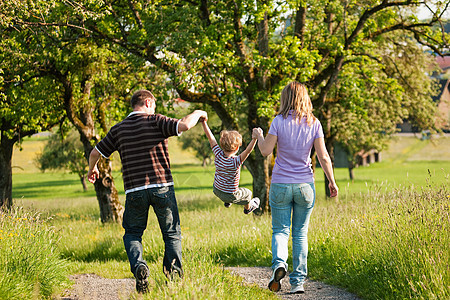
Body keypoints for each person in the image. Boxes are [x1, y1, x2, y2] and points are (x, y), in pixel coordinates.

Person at [87, 89, 207, 294]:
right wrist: (198, 112)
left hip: (134, 190)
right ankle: (174, 280)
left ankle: (139, 266)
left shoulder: (119, 129)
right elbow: (185, 125)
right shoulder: (156, 121)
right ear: (149, 102)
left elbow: (95, 152)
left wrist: (93, 168)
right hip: (162, 187)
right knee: (171, 234)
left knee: (133, 233)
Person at [252, 82, 338, 294]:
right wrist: (331, 181)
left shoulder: (279, 121)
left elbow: (265, 151)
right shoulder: (314, 123)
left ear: (285, 99)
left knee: (281, 231)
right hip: (304, 186)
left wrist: (258, 136)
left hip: (281, 184)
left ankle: (279, 265)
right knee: (300, 233)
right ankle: (298, 282)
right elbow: (324, 156)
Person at [201, 119, 260, 214]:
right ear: (237, 148)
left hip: (216, 190)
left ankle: (227, 202)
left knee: (227, 188)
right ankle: (248, 208)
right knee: (248, 193)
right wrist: (254, 139)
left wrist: (204, 123)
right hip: (230, 195)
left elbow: (210, 138)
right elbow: (248, 151)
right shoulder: (236, 161)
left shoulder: (218, 154)